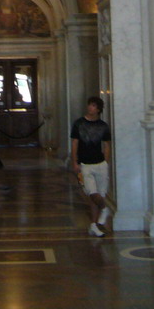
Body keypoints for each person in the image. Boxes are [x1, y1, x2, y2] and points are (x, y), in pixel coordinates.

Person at [70, 95, 112, 237]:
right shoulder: (79, 124)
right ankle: (105, 209)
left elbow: (106, 145)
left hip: (100, 164)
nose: (90, 107)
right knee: (91, 193)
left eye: (93, 105)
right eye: (89, 105)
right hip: (85, 164)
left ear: (98, 109)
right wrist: (74, 162)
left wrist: (105, 162)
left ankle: (94, 225)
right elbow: (75, 143)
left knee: (98, 195)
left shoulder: (103, 126)